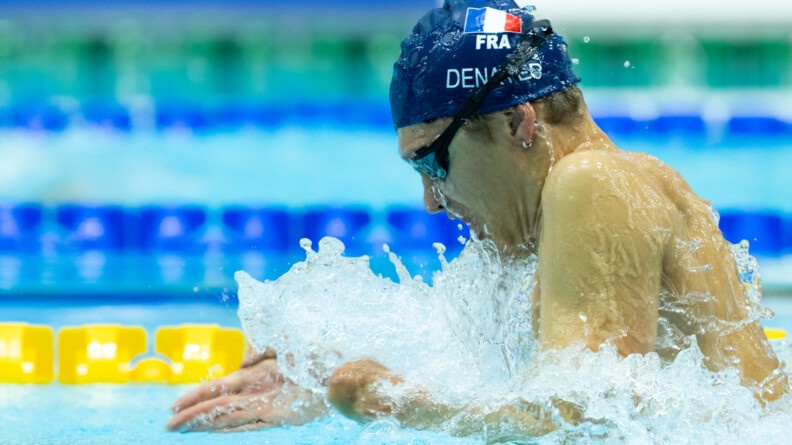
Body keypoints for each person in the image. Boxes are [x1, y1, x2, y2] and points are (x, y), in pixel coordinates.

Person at [166, 0, 789, 435]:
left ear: (520, 123)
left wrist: (398, 403)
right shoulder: (568, 209)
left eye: (434, 163)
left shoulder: (592, 183)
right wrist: (320, 378)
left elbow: (594, 421)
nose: (432, 202)